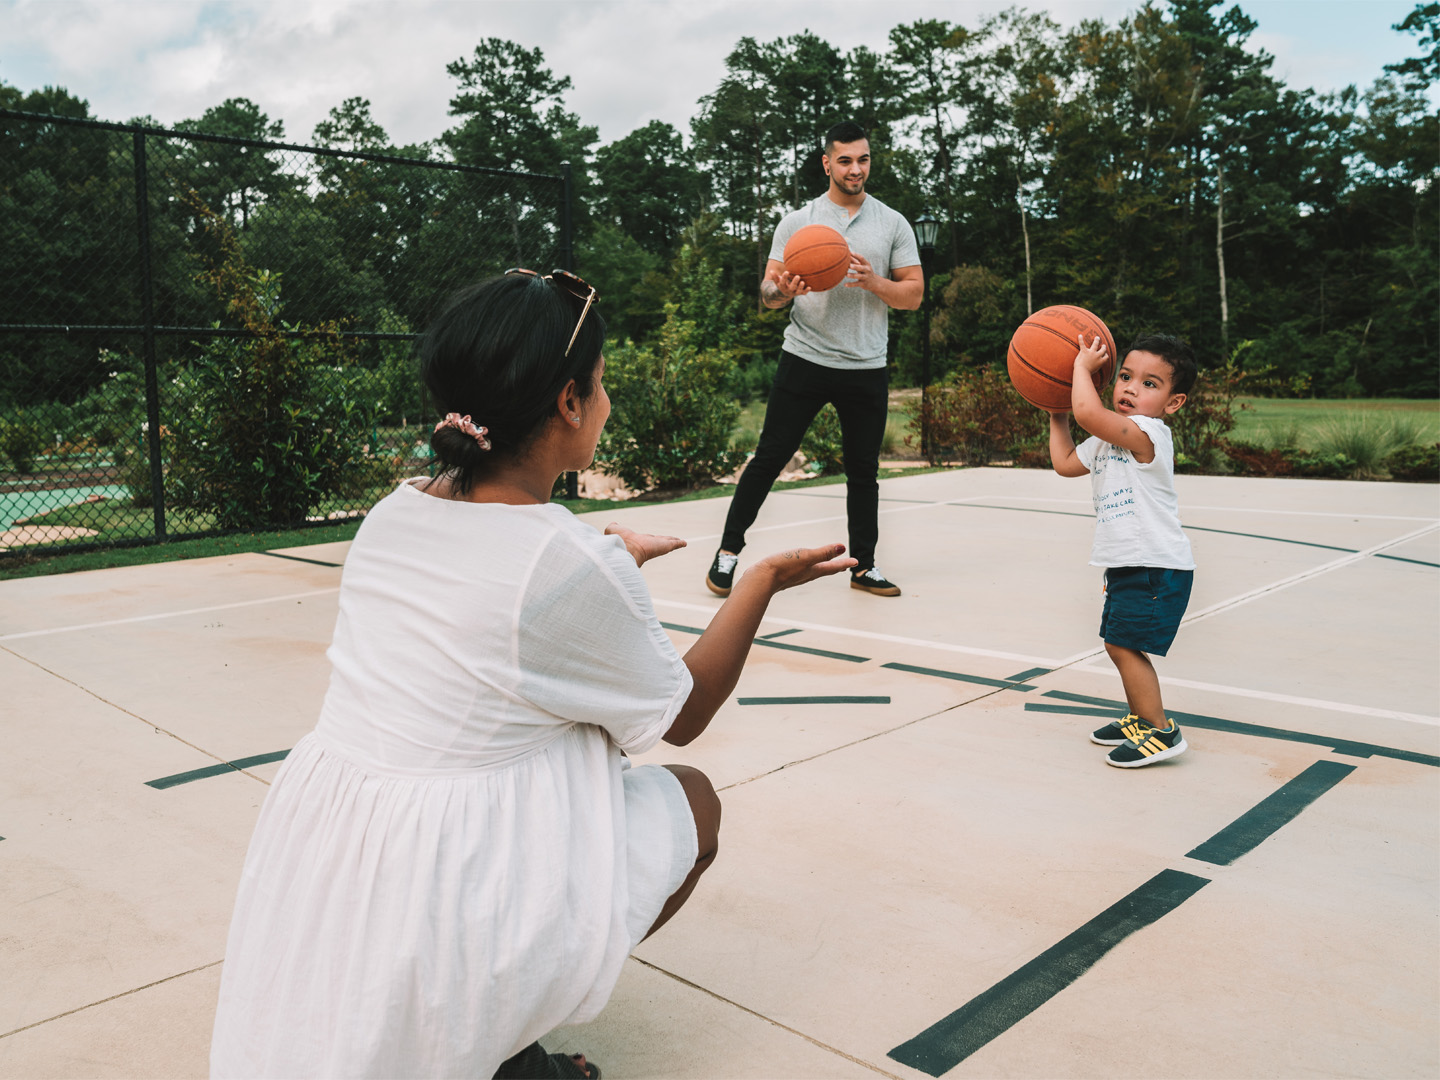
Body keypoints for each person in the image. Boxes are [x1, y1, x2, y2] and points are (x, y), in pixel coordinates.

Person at [209, 270, 856, 1079]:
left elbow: (485, 606)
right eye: (602, 381)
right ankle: (505, 1036)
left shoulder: (392, 510)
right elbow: (681, 714)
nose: (607, 399)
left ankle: (480, 1025)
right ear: (567, 404)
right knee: (692, 802)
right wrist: (756, 585)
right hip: (450, 861)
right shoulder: (561, 559)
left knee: (564, 745)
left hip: (335, 839)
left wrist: (605, 561)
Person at [705, 121, 923, 600]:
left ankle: (863, 567)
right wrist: (781, 291)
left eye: (863, 159)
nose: (855, 169)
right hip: (805, 357)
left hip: (866, 365)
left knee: (863, 471)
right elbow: (766, 294)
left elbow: (913, 295)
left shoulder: (892, 223)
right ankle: (726, 554)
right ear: (827, 163)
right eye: (845, 160)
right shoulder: (798, 223)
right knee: (768, 459)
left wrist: (876, 283)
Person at [1047, 332, 1198, 768]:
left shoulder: (1148, 433)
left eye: (1150, 384)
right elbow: (1065, 464)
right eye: (1126, 376)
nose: (1131, 387)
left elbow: (1089, 413)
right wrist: (1056, 414)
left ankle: (1160, 730)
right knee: (1119, 642)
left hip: (1156, 565)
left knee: (1123, 645)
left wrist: (1079, 370)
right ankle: (1139, 716)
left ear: (1173, 403)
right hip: (1129, 564)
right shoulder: (1105, 439)